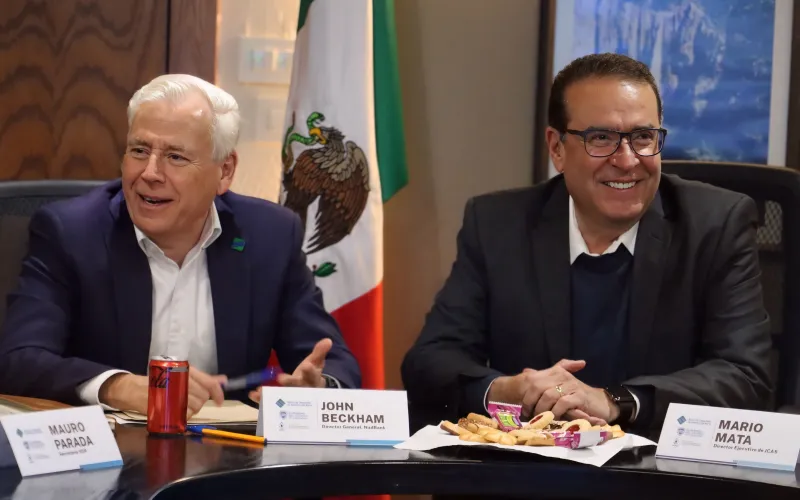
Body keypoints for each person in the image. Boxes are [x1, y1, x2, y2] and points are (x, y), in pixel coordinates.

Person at [401, 53, 772, 431]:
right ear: (557, 148)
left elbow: (746, 376)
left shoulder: (715, 225)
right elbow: (429, 363)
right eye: (601, 138)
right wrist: (505, 390)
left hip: (656, 463)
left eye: (643, 137)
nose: (627, 160)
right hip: (532, 462)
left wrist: (615, 401)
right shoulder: (498, 226)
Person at [0, 74, 361, 415]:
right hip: (106, 449)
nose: (150, 173)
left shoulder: (270, 237)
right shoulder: (71, 233)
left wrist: (318, 388)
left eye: (175, 157)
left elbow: (333, 362)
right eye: (139, 150)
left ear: (224, 171)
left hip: (225, 452)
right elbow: (19, 359)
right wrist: (118, 386)